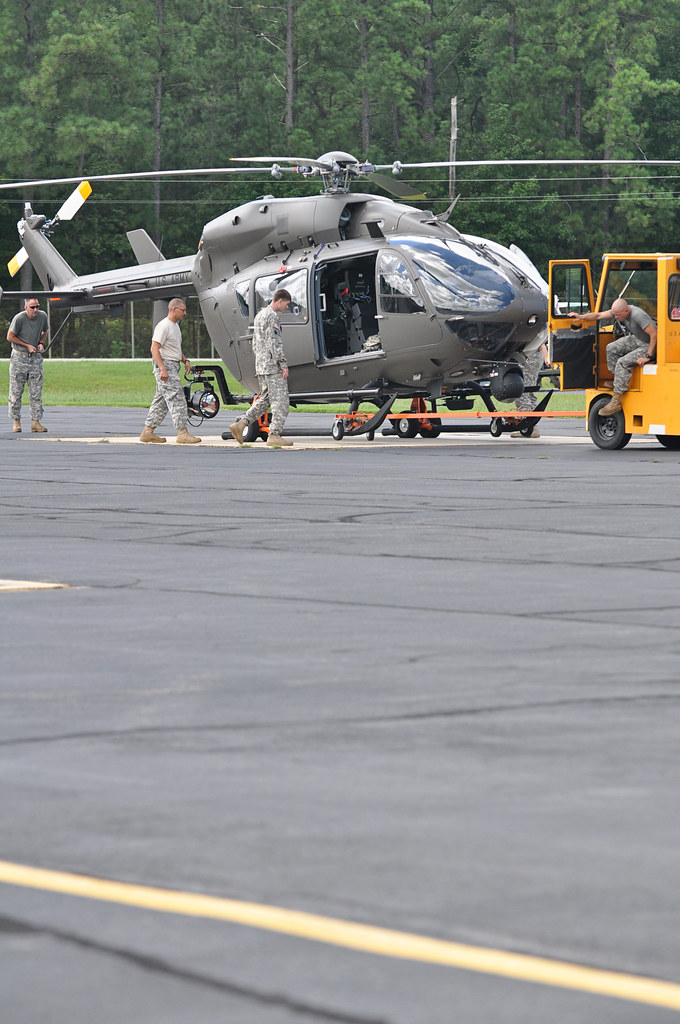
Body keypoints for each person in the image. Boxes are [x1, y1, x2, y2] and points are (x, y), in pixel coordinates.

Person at [571, 298, 657, 416]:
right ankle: (618, 380)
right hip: (638, 339)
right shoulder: (619, 311)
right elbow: (598, 315)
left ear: (626, 311)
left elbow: (654, 334)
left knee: (622, 362)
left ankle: (616, 401)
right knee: (611, 348)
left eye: (617, 315)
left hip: (650, 345)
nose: (615, 317)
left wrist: (648, 356)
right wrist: (581, 317)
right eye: (614, 314)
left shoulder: (638, 315)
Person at [230, 288, 293, 448]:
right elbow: (274, 342)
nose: (287, 307)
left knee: (265, 400)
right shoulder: (272, 316)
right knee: (281, 401)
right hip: (272, 366)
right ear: (280, 300)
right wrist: (282, 363)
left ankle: (241, 424)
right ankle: (275, 434)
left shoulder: (260, 315)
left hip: (262, 365)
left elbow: (256, 342)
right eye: (286, 304)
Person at [139, 298, 200, 444]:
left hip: (173, 365)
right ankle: (182, 433)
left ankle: (148, 432)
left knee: (161, 401)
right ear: (173, 309)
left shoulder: (175, 326)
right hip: (165, 366)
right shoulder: (164, 326)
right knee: (177, 398)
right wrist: (162, 369)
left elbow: (175, 349)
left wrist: (185, 360)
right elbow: (154, 348)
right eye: (182, 310)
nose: (185, 313)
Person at [7, 297, 49, 433]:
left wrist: (41, 342)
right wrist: (26, 345)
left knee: (36, 391)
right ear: (26, 307)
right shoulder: (19, 319)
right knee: (16, 391)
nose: (35, 309)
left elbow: (45, 330)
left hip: (35, 358)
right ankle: (16, 421)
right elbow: (10, 336)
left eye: (37, 306)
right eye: (32, 307)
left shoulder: (42, 316)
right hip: (19, 357)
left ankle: (36, 422)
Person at [511, 334, 551, 439]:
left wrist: (546, 355)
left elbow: (539, 339)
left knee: (522, 391)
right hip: (533, 357)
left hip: (529, 357)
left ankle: (526, 426)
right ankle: (533, 427)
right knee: (529, 391)